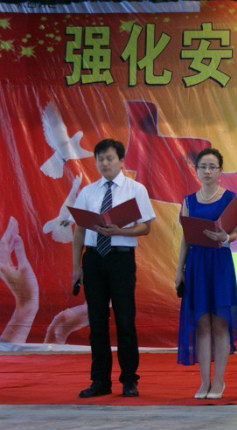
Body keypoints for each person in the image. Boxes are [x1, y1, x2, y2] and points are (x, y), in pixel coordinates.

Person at [71, 139, 156, 398]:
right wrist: (76, 266)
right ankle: (100, 381)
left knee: (125, 320)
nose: (105, 163)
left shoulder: (135, 189)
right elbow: (79, 230)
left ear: (121, 161)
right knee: (97, 322)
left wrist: (120, 231)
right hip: (93, 259)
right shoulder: (88, 192)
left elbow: (146, 227)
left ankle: (129, 379)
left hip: (120, 259)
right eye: (100, 159)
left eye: (109, 158)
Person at [174, 148, 237, 399]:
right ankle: (204, 382)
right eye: (203, 167)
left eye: (212, 167)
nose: (207, 171)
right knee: (202, 322)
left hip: (219, 262)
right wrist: (179, 270)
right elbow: (185, 238)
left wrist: (224, 237)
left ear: (220, 170)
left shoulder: (230, 198)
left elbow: (234, 234)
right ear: (196, 171)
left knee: (220, 321)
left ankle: (219, 381)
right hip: (196, 264)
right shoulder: (189, 201)